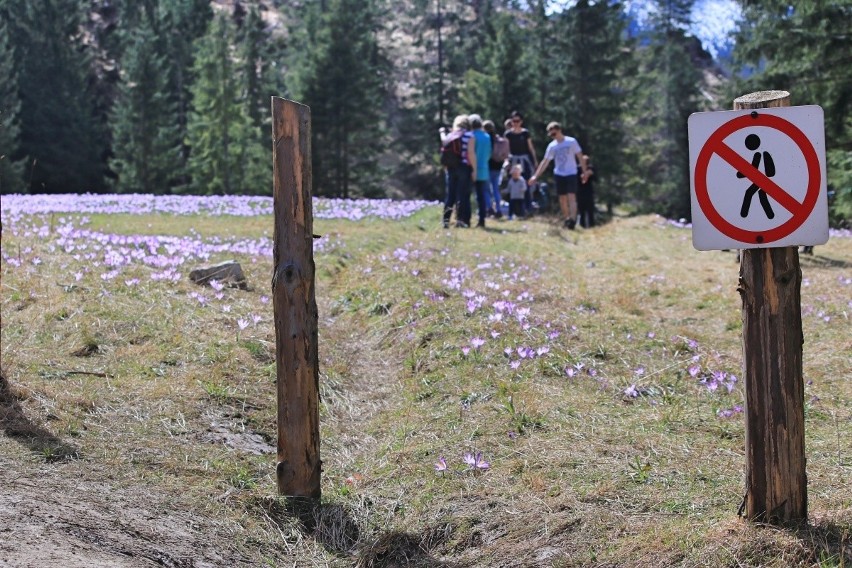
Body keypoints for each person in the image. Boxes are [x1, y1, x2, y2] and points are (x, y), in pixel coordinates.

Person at [528, 122, 589, 229]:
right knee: (562, 198)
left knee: (571, 196)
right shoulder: (552, 146)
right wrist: (535, 176)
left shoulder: (571, 141)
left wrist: (584, 172)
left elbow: (580, 156)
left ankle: (573, 220)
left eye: (554, 133)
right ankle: (567, 219)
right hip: (559, 173)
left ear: (559, 130)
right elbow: (545, 161)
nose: (553, 136)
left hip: (571, 172)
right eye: (551, 135)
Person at [439, 115, 475, 228]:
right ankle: (461, 220)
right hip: (464, 167)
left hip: (451, 167)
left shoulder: (451, 135)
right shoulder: (470, 135)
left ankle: (445, 221)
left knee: (450, 195)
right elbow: (471, 153)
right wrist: (474, 169)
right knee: (462, 194)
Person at [504, 111, 538, 215]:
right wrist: (507, 162)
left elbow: (530, 148)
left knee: (526, 184)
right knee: (513, 185)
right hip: (513, 161)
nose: (515, 123)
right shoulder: (508, 134)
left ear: (521, 122)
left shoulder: (525, 133)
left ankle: (528, 208)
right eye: (513, 121)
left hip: (524, 161)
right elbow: (507, 149)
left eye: (517, 121)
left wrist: (535, 161)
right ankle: (514, 210)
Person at [469, 114, 491, 228]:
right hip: (484, 169)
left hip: (472, 168)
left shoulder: (472, 136)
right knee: (481, 196)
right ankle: (482, 220)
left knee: (467, 194)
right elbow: (489, 153)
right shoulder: (487, 137)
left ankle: (465, 218)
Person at [483, 120, 506, 218]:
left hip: (488, 166)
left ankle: (489, 208)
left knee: (486, 189)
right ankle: (499, 209)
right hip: (498, 166)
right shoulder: (498, 139)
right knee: (496, 189)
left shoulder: (486, 138)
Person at [577, 154, 596, 228]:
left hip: (589, 191)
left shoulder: (591, 168)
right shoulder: (578, 169)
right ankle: (582, 225)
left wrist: (591, 174)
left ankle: (592, 225)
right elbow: (576, 180)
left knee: (590, 210)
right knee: (581, 210)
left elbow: (595, 179)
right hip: (580, 191)